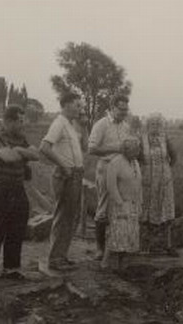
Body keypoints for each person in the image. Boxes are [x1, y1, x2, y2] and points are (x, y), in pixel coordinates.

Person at [0, 105, 39, 280]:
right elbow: (8, 157)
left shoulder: (20, 138)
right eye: (19, 121)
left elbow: (36, 154)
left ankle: (11, 268)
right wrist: (23, 154)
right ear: (8, 121)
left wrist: (19, 150)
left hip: (16, 187)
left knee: (17, 226)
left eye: (23, 120)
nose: (22, 124)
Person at [40, 94, 84, 271]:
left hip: (75, 174)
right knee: (64, 216)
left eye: (81, 105)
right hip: (66, 175)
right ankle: (55, 259)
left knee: (71, 217)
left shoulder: (71, 125)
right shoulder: (59, 123)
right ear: (65, 105)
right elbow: (44, 147)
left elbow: (85, 147)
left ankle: (61, 256)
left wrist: (84, 126)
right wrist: (64, 165)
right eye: (76, 105)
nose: (80, 109)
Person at [88, 96, 131, 261]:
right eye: (121, 109)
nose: (124, 113)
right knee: (104, 207)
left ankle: (116, 246)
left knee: (120, 205)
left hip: (122, 168)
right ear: (113, 108)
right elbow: (91, 149)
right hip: (106, 167)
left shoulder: (125, 126)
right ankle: (99, 249)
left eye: (126, 110)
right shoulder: (101, 124)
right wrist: (115, 148)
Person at [139, 114, 177, 255]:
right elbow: (136, 159)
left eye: (157, 124)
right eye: (152, 124)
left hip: (164, 183)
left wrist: (165, 170)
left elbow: (174, 157)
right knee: (146, 213)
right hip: (147, 183)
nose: (155, 127)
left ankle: (166, 245)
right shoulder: (141, 140)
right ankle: (145, 246)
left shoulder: (165, 139)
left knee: (165, 213)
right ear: (147, 126)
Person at [105, 138, 142, 270]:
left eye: (138, 149)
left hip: (133, 204)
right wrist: (120, 203)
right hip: (120, 204)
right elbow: (111, 186)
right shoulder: (115, 163)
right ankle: (110, 264)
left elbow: (138, 184)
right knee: (118, 234)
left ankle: (123, 265)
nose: (138, 152)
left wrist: (139, 203)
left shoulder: (135, 162)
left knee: (130, 235)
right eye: (134, 150)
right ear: (126, 150)